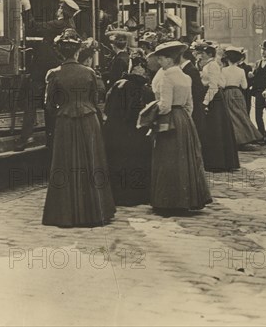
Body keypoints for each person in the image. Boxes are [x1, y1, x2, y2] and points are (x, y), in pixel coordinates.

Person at [42, 29, 115, 227]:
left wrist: (62, 110)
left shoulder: (53, 74)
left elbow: (49, 106)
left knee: (65, 164)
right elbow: (96, 99)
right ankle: (96, 212)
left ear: (60, 52)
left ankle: (65, 214)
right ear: (77, 52)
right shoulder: (89, 72)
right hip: (88, 120)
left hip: (65, 121)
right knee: (92, 162)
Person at [149, 41, 212, 213]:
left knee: (167, 159)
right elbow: (189, 105)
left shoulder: (167, 76)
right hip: (184, 119)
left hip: (169, 119)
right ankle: (188, 198)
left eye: (161, 59)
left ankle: (168, 200)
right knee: (186, 159)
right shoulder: (186, 77)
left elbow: (165, 106)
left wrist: (150, 111)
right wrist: (184, 119)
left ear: (169, 60)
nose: (159, 63)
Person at [17, 0, 79, 151]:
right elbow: (69, 11)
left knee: (31, 101)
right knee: (50, 105)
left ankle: (26, 137)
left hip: (43, 68)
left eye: (59, 7)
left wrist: (27, 6)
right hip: (56, 68)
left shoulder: (58, 24)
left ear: (61, 11)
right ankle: (51, 141)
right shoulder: (70, 22)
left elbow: (33, 27)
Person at [103, 56, 154, 205]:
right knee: (136, 161)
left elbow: (108, 108)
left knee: (118, 160)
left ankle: (118, 194)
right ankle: (136, 194)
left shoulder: (118, 85)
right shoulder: (144, 89)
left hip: (116, 132)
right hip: (136, 133)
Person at [192, 41, 240, 172]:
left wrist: (205, 102)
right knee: (212, 130)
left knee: (216, 130)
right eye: (198, 53)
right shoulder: (206, 64)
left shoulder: (212, 65)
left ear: (208, 54)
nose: (199, 55)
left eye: (202, 53)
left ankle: (218, 162)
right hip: (210, 96)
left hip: (214, 99)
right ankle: (214, 161)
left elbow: (213, 86)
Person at [221, 47, 262, 147]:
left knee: (230, 116)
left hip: (227, 92)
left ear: (227, 59)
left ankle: (234, 139)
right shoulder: (241, 71)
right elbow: (245, 86)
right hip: (238, 93)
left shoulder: (223, 70)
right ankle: (246, 137)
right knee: (241, 115)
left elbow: (222, 84)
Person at [250, 40, 266, 143]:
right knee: (258, 116)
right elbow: (255, 77)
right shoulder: (258, 63)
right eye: (262, 49)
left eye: (265, 49)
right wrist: (252, 76)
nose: (263, 51)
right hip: (259, 93)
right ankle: (261, 135)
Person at [238, 49, 253, 114]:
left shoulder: (247, 67)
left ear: (242, 58)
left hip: (245, 92)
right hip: (237, 91)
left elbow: (250, 81)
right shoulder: (233, 67)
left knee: (246, 110)